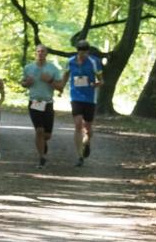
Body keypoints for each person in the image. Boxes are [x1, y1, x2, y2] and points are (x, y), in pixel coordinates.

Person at [61, 39, 104, 167]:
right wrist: (61, 87)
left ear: (88, 52)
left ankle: (87, 142)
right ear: (77, 51)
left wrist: (95, 84)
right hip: (76, 97)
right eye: (80, 53)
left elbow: (101, 81)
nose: (82, 55)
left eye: (84, 53)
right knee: (78, 125)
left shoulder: (94, 61)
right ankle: (80, 155)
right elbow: (65, 76)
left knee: (88, 129)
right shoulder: (70, 61)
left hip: (90, 98)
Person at [21, 45, 64, 168]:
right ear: (35, 53)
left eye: (42, 51)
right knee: (39, 131)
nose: (40, 53)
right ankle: (41, 157)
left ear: (46, 54)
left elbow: (60, 87)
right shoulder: (28, 68)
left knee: (47, 135)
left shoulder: (53, 69)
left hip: (48, 103)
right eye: (38, 51)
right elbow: (23, 83)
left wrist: (50, 81)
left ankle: (43, 142)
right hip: (34, 102)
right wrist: (26, 83)